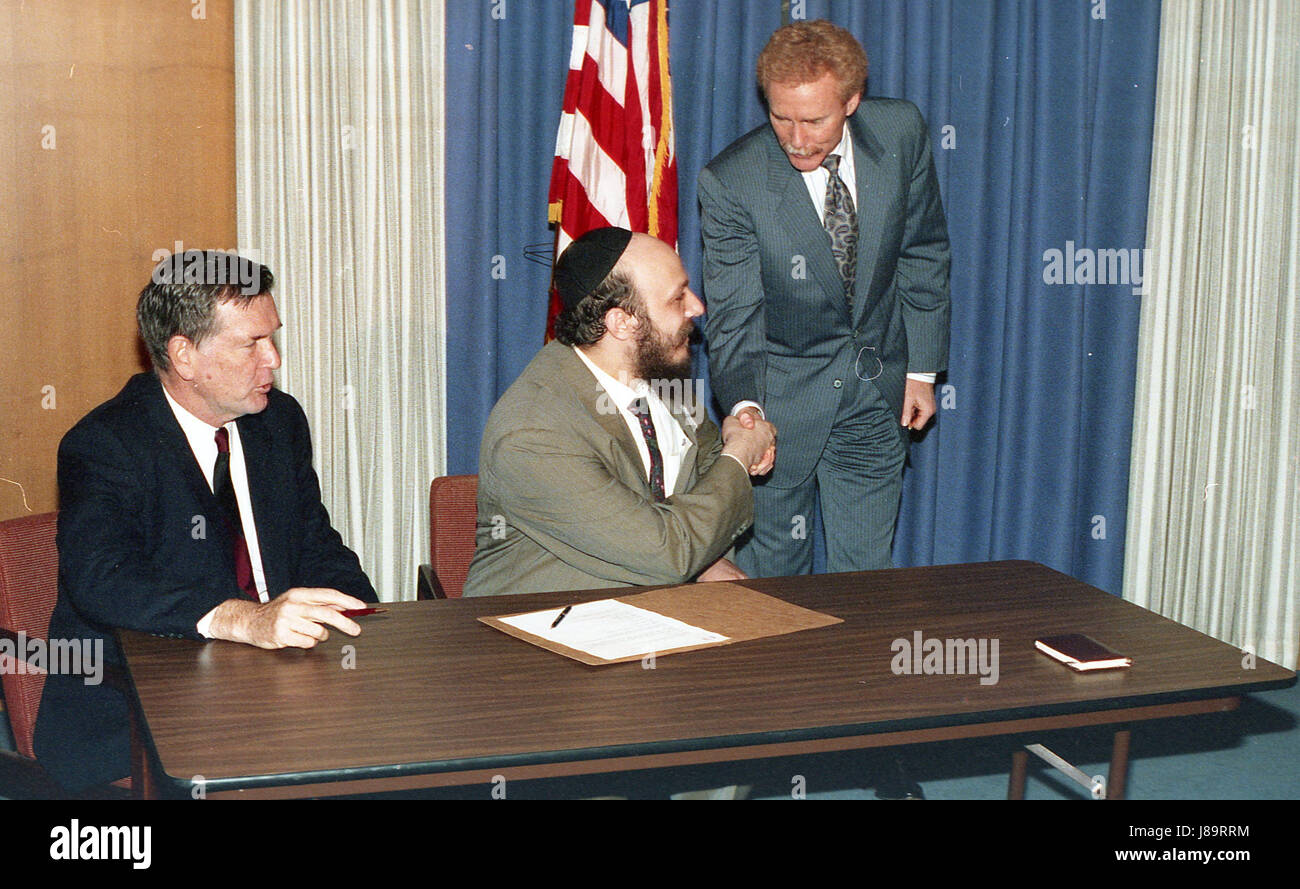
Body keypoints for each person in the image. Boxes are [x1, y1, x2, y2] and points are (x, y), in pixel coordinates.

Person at [34, 251, 377, 792]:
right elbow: (101, 578)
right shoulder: (104, 444)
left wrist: (368, 623)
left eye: (274, 337)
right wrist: (244, 619)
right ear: (184, 355)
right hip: (141, 713)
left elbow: (315, 545)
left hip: (278, 696)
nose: (275, 360)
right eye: (252, 344)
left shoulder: (278, 422)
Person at [698, 20, 951, 579]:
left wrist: (923, 372)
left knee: (864, 582)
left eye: (814, 120)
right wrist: (747, 416)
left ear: (852, 102)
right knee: (772, 589)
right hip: (780, 409)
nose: (795, 137)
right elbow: (736, 318)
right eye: (780, 117)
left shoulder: (901, 130)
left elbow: (923, 252)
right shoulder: (731, 182)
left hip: (875, 394)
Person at [464, 227, 777, 598]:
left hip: (655, 615)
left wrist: (705, 558)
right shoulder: (532, 433)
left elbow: (709, 469)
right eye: (678, 297)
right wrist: (741, 452)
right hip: (542, 628)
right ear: (622, 323)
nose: (696, 306)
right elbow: (667, 553)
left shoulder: (661, 378)